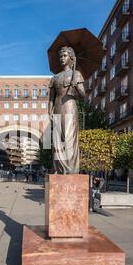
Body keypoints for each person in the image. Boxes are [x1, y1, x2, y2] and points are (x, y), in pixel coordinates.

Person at [50, 46, 86, 175]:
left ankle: (70, 168)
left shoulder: (76, 74)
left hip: (70, 106)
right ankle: (58, 168)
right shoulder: (55, 77)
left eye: (64, 56)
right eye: (60, 56)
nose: (62, 58)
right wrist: (50, 112)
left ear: (71, 58)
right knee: (57, 139)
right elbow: (51, 98)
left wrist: (77, 86)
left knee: (69, 136)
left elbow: (83, 95)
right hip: (58, 106)